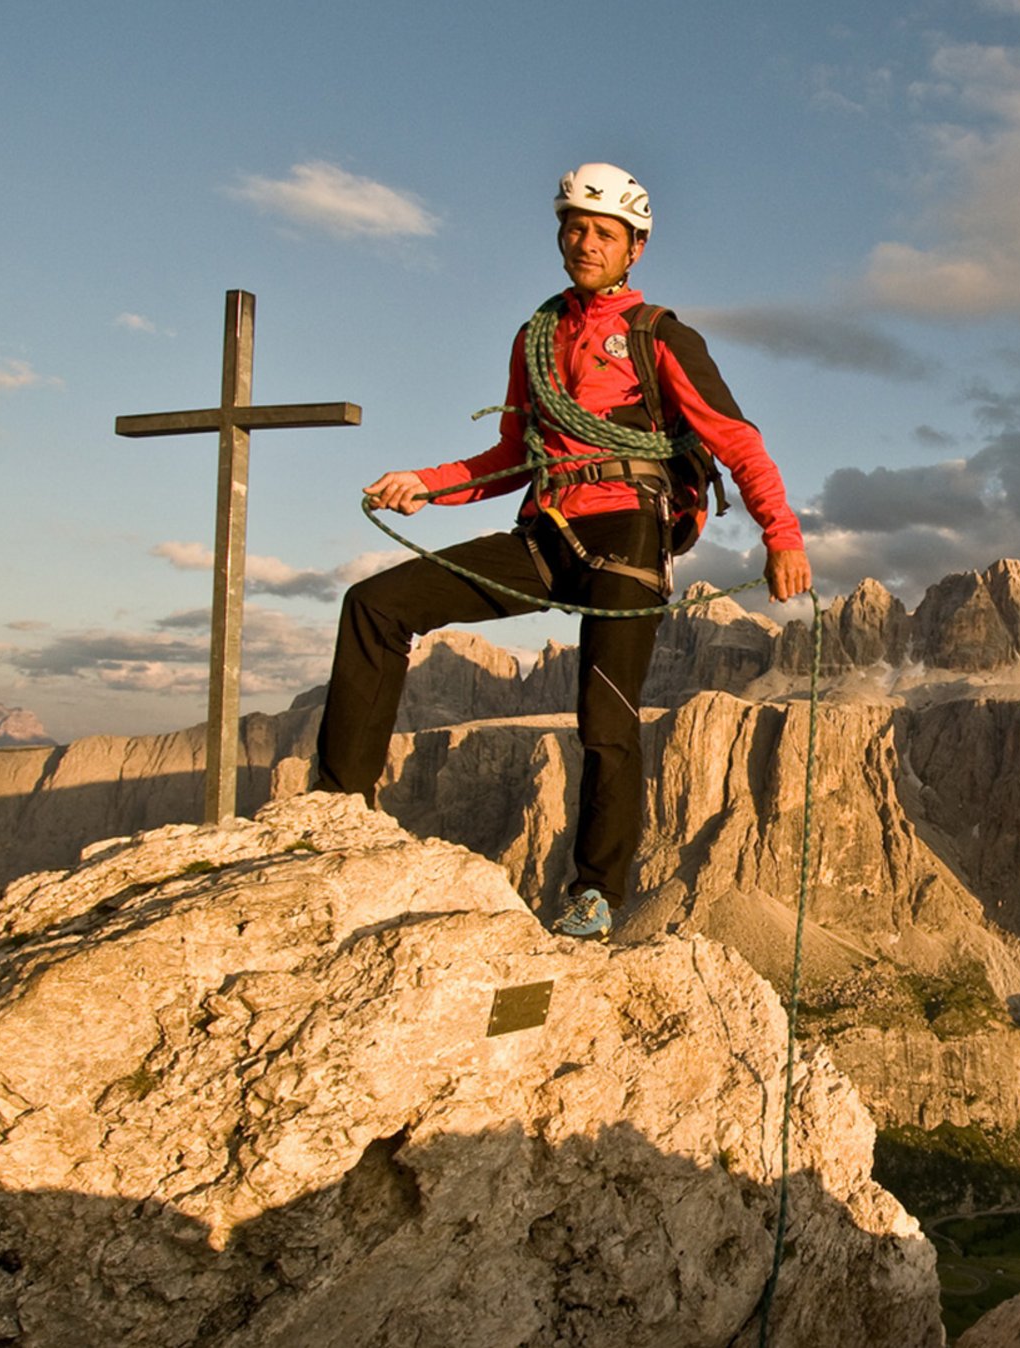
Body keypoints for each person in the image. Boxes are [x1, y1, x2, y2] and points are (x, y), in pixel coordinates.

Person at [312, 161, 811, 940]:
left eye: (603, 232)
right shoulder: (537, 335)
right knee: (375, 605)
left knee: (604, 723)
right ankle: (338, 810)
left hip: (628, 537)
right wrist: (424, 483)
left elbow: (736, 441)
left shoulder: (659, 336)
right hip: (546, 530)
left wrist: (782, 536)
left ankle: (594, 892)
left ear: (634, 247)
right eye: (574, 227)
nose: (585, 242)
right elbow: (510, 452)